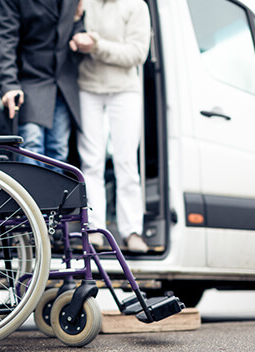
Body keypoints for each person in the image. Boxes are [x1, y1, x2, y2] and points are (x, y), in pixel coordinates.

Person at [73, 0, 151, 252]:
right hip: (87, 88)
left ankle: (132, 232)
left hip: (125, 91)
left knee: (126, 160)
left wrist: (97, 46)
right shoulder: (83, 2)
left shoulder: (136, 6)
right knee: (91, 162)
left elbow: (137, 54)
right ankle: (94, 228)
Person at [0, 0, 90, 169]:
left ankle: (53, 196)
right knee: (31, 145)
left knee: (58, 151)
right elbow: (4, 40)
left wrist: (80, 38)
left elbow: (74, 28)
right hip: (30, 81)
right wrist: (8, 83)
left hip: (63, 85)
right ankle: (30, 196)